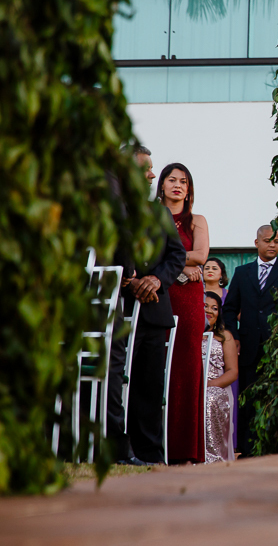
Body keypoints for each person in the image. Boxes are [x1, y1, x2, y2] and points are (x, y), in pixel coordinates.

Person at [106, 145, 187, 465]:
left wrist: (156, 280)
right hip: (118, 308)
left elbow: (176, 255)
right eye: (145, 169)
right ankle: (116, 451)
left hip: (154, 310)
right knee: (115, 383)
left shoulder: (160, 213)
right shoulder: (108, 211)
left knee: (149, 385)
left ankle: (149, 453)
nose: (152, 175)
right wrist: (131, 278)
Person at [157, 163, 210, 463]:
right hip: (159, 294)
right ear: (161, 185)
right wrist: (181, 265)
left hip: (188, 300)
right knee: (156, 367)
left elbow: (201, 256)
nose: (177, 185)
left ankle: (185, 449)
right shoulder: (151, 218)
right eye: (171, 179)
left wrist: (169, 257)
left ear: (189, 190)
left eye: (184, 181)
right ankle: (154, 446)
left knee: (186, 370)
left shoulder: (196, 221)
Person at [222, 225, 278, 456]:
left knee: (275, 399)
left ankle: (275, 450)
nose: (273, 245)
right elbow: (229, 310)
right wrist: (234, 337)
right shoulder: (242, 272)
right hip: (247, 347)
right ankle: (247, 452)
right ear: (257, 243)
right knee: (247, 401)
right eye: (268, 241)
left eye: (277, 241)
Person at [202, 292, 238, 463]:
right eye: (205, 306)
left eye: (214, 308)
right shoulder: (188, 334)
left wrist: (209, 385)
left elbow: (232, 371)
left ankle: (214, 459)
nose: (209, 310)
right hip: (192, 385)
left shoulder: (225, 336)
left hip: (217, 388)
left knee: (209, 398)